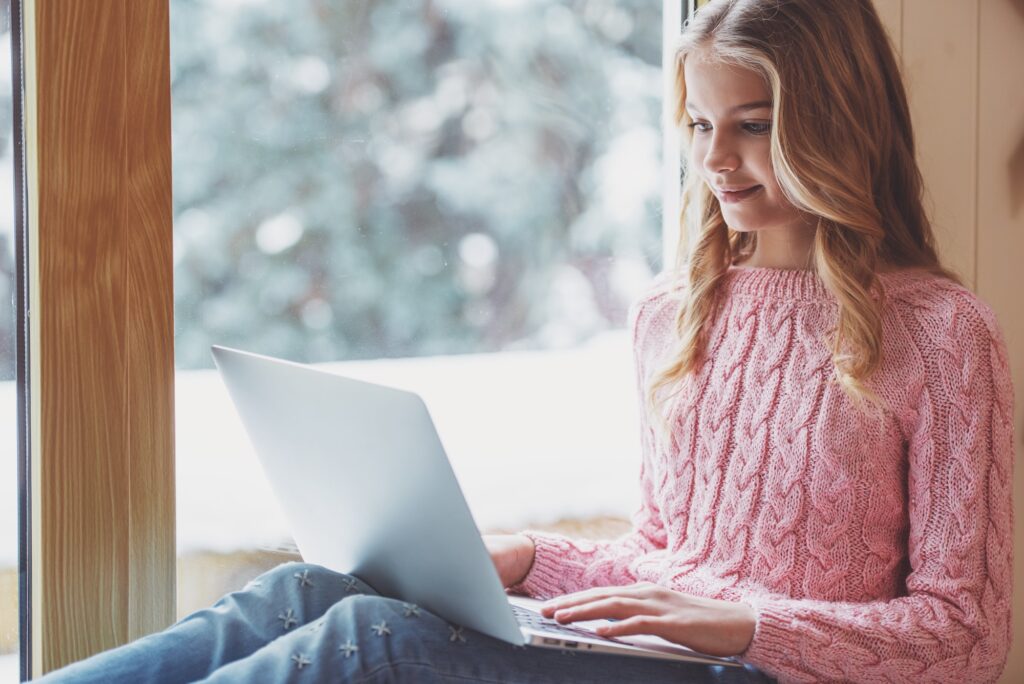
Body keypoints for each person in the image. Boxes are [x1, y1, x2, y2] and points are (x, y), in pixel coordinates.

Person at [38, 0, 1015, 681]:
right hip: (672, 654)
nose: (714, 160)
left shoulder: (939, 333)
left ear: (839, 122)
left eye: (753, 126)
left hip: (759, 673)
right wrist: (525, 561)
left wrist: (747, 625)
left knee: (372, 644)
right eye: (700, 124)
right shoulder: (676, 312)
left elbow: (964, 637)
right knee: (304, 591)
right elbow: (669, 558)